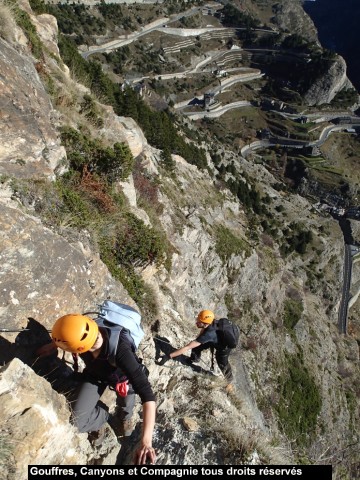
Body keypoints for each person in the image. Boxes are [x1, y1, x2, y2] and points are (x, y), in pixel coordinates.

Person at [37, 313, 156, 465]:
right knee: (77, 421)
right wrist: (53, 345)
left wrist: (146, 442)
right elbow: (72, 333)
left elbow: (148, 396)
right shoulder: (86, 329)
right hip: (96, 375)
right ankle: (102, 418)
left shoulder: (121, 352)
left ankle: (124, 418)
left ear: (79, 348)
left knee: (126, 401)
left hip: (123, 379)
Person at [165, 310, 234, 393]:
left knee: (222, 363)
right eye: (198, 319)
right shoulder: (210, 323)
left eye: (199, 321)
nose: (196, 322)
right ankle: (194, 359)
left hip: (223, 347)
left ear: (205, 323)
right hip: (214, 339)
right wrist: (198, 340)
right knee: (197, 346)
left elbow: (187, 347)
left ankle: (229, 381)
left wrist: (169, 356)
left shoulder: (209, 334)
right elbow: (201, 334)